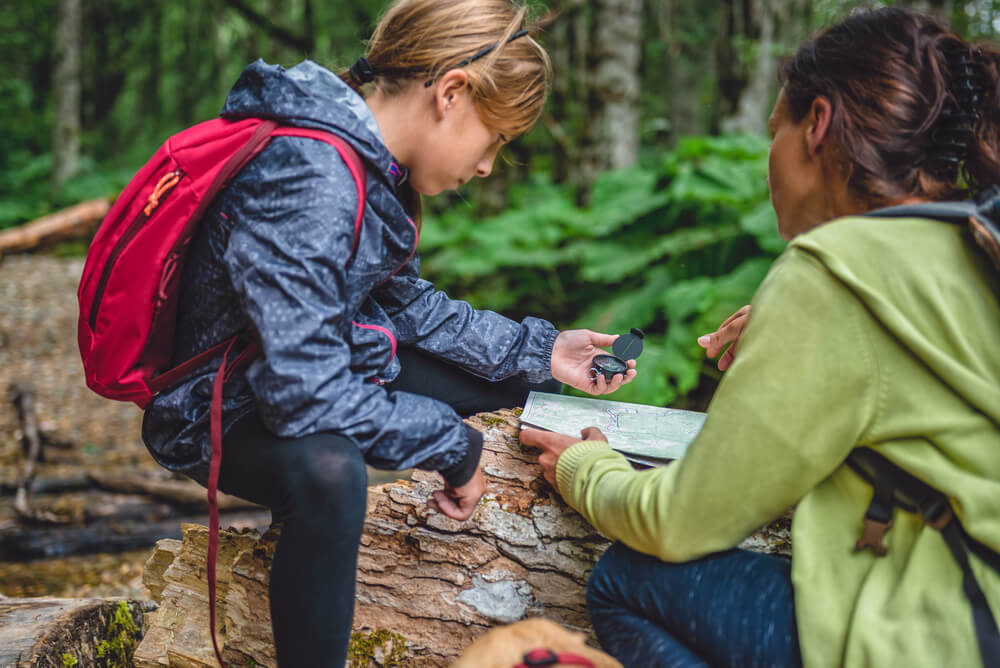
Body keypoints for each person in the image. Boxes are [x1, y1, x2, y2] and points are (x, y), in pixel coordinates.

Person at [140, 1, 636, 665]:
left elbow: (407, 310)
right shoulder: (309, 177)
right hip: (220, 410)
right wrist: (448, 444)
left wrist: (539, 352)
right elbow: (303, 395)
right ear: (452, 93)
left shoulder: (375, 173)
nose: (488, 166)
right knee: (330, 470)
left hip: (302, 372)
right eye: (495, 141)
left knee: (518, 378)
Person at [520, 8, 1000, 667]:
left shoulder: (835, 271)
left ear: (818, 125)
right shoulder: (974, 242)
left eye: (773, 133)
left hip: (934, 639)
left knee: (626, 580)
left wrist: (586, 468)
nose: (767, 160)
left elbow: (680, 523)